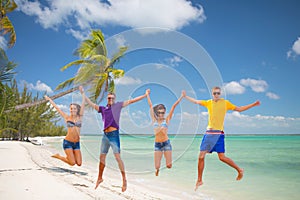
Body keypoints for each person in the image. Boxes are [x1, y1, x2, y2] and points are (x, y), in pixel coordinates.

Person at [183, 87, 260, 190]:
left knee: (222, 157)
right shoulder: (208, 102)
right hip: (209, 133)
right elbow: (196, 101)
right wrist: (185, 96)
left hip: (219, 134)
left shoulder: (225, 103)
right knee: (201, 157)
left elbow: (239, 109)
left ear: (220, 94)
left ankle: (239, 170)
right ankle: (199, 180)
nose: (216, 95)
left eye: (218, 93)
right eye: (214, 93)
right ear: (212, 94)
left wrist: (253, 104)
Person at [84, 89, 149, 192]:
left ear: (114, 99)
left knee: (118, 158)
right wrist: (84, 94)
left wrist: (145, 95)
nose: (110, 99)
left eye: (112, 98)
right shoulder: (103, 108)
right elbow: (92, 105)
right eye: (109, 98)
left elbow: (131, 101)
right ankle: (100, 178)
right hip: (105, 136)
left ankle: (124, 180)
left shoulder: (117, 106)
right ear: (107, 99)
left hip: (114, 136)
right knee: (101, 157)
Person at [44, 86, 85, 166]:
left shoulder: (80, 117)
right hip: (68, 142)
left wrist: (82, 93)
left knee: (79, 163)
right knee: (72, 163)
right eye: (71, 108)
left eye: (74, 109)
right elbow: (57, 108)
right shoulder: (67, 117)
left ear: (77, 110)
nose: (72, 110)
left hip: (76, 143)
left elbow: (83, 103)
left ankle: (70, 156)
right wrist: (49, 100)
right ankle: (59, 156)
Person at [146, 90, 184, 176]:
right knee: (156, 166)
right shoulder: (154, 120)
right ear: (157, 113)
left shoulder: (167, 120)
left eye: (162, 112)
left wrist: (182, 97)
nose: (161, 114)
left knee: (169, 166)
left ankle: (167, 156)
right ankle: (158, 168)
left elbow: (174, 106)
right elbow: (151, 106)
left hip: (166, 143)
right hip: (157, 144)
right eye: (159, 113)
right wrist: (147, 95)